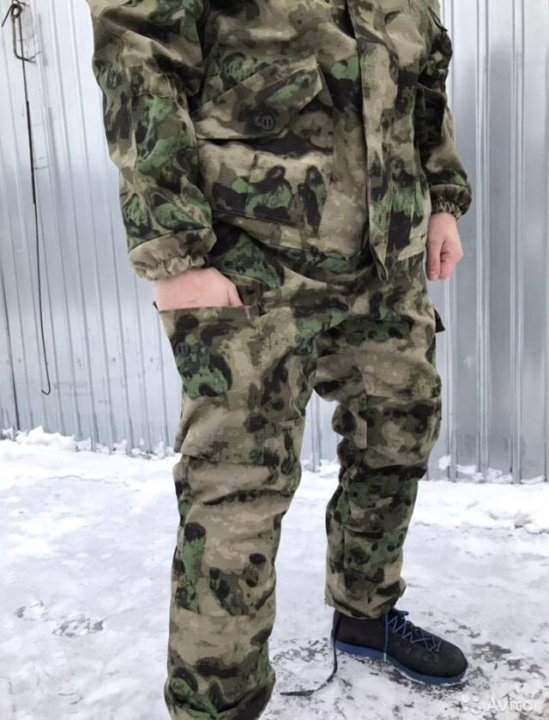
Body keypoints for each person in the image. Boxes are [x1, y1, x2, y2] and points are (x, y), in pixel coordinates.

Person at [85, 0, 473, 717]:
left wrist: (442, 199)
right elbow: (139, 56)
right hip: (250, 261)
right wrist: (176, 253)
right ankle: (217, 705)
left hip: (386, 260)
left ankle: (365, 612)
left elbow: (424, 79)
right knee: (237, 488)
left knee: (398, 434)